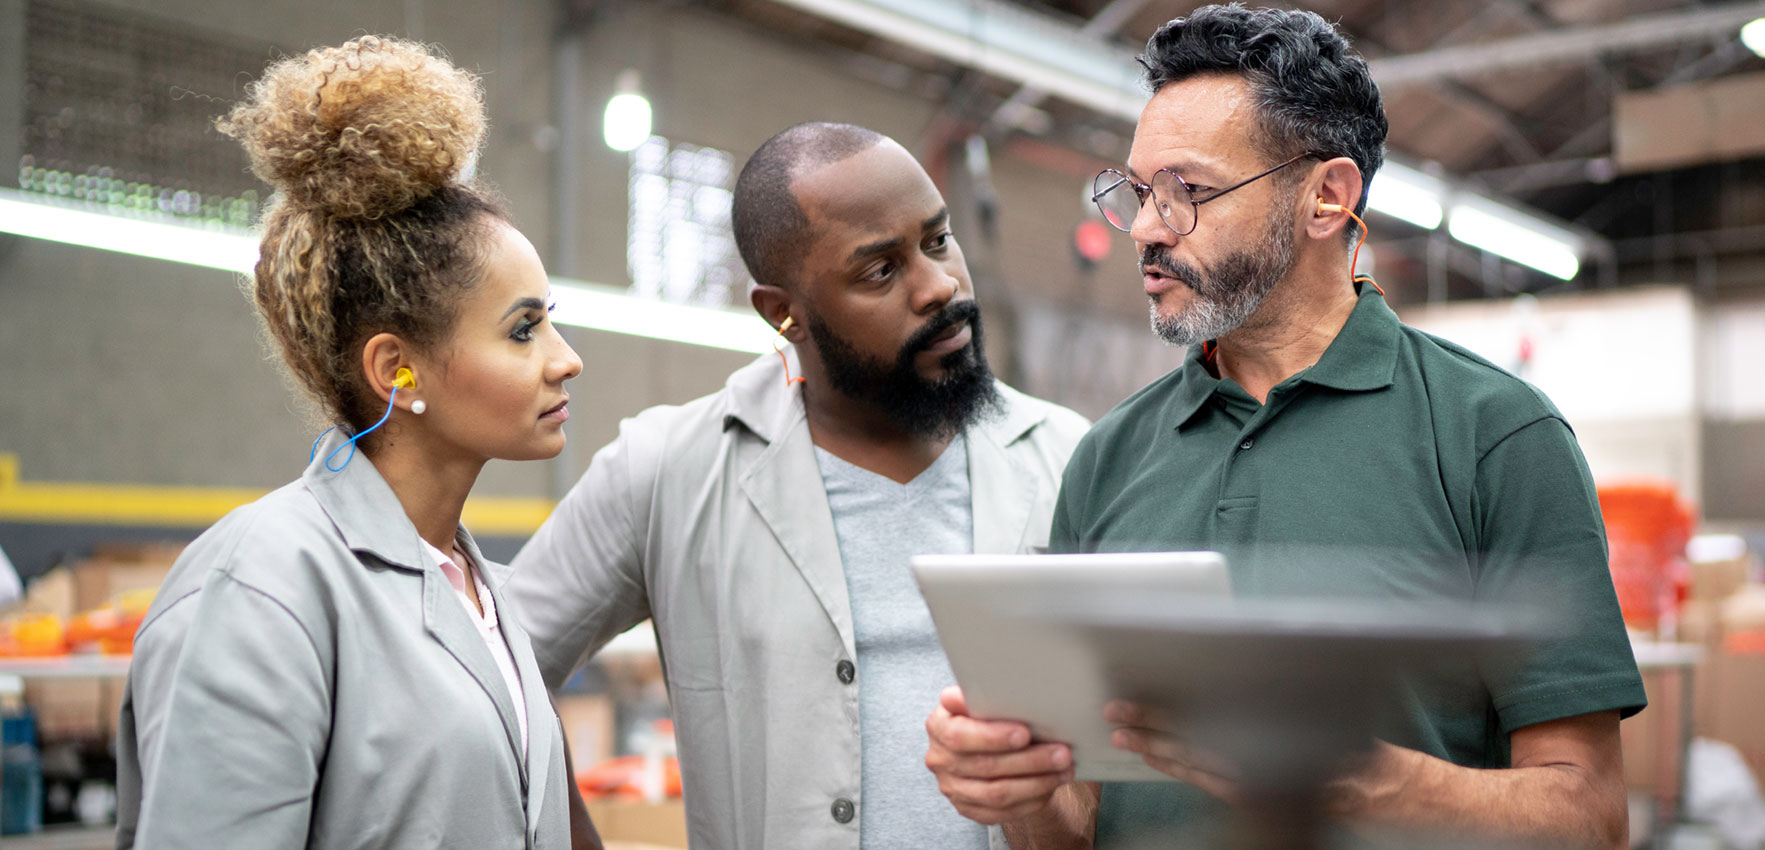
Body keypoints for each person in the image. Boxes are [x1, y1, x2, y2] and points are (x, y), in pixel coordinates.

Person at [925, 6, 1646, 849]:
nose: (1149, 230)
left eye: (1187, 191)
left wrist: (1365, 783)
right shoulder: (1108, 457)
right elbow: (1083, 825)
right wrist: (1021, 793)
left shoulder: (1495, 436)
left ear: (1325, 199)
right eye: (1138, 193)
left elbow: (1590, 817)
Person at [502, 122, 1090, 850]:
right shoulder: (667, 470)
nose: (938, 286)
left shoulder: (1072, 460)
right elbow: (490, 677)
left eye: (937, 241)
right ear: (782, 313)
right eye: (879, 271)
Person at [116, 36, 583, 850]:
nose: (565, 359)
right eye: (523, 330)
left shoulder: (485, 594)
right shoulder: (262, 588)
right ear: (397, 370)